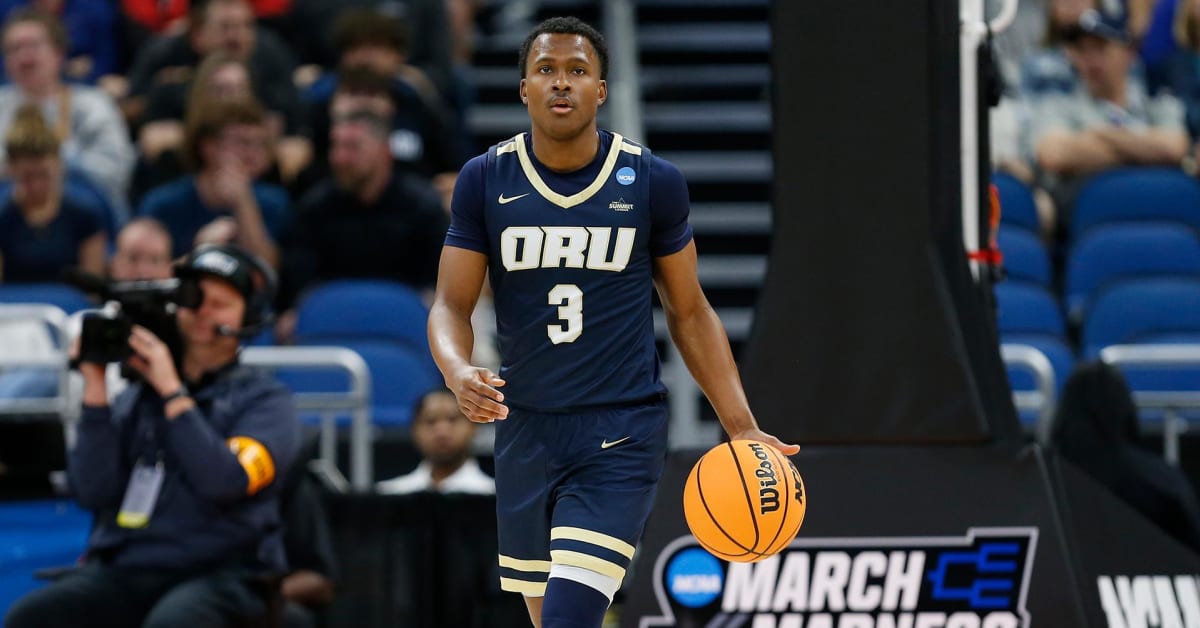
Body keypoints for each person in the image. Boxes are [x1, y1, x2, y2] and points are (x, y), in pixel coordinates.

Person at [427, 17, 799, 628]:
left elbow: (690, 310)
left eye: (578, 70)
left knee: (570, 618)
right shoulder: (485, 178)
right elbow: (450, 305)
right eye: (546, 70)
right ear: (523, 88)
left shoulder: (652, 181)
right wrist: (456, 368)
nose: (561, 82)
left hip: (619, 430)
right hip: (526, 430)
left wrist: (741, 426)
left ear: (601, 90)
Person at [3, 244, 300, 628]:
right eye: (194, 300)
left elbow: (224, 481)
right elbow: (92, 491)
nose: (203, 312)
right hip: (130, 567)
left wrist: (173, 393)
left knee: (172, 623)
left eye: (220, 304)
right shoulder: (137, 399)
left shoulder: (266, 402)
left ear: (248, 316)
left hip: (224, 572)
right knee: (32, 617)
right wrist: (96, 391)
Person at [278, 102, 447, 323]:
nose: (339, 158)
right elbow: (299, 288)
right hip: (335, 322)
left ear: (385, 151)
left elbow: (440, 287)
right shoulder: (314, 208)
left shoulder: (422, 207)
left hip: (405, 325)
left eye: (352, 147)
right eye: (335, 146)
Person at [1032, 6, 1189, 227]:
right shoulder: (1058, 105)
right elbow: (1054, 154)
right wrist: (1147, 151)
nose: (1090, 59)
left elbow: (1175, 147)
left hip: (1158, 216)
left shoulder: (1156, 102)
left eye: (1100, 47)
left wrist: (1099, 135)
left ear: (1129, 52)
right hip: (1088, 223)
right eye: (1081, 49)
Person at [0, 7, 134, 215]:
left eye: (33, 46)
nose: (25, 58)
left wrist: (58, 164)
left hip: (84, 218)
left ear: (59, 54)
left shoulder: (93, 104)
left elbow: (116, 173)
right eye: (14, 49)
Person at [137, 99, 290, 267]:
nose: (253, 154)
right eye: (243, 143)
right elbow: (146, 273)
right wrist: (201, 253)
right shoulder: (163, 204)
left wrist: (243, 202)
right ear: (208, 146)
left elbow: (267, 271)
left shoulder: (274, 202)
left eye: (260, 144)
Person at [0, 102, 105, 283]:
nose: (37, 185)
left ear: (59, 166)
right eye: (27, 177)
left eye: (44, 175)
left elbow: (93, 286)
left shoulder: (85, 213)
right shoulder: (3, 216)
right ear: (11, 171)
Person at [376, 388, 495, 495]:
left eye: (452, 419)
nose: (442, 431)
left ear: (473, 427)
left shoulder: (493, 496)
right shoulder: (388, 495)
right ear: (414, 430)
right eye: (430, 421)